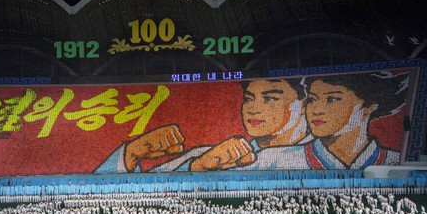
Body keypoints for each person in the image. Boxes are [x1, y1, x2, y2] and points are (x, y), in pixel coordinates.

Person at [94, 78, 312, 173]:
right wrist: (132, 153)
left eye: (270, 99)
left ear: (303, 104)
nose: (253, 109)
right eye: (249, 98)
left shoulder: (320, 155)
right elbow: (150, 187)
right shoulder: (204, 155)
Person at [301, 71, 409, 169]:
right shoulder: (294, 157)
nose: (317, 110)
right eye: (312, 100)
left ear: (369, 106)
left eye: (332, 99)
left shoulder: (394, 160)